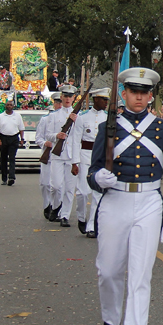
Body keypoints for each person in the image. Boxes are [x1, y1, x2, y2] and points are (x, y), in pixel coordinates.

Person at [87, 67, 163, 325]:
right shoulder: (108, 127)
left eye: (144, 93)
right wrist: (97, 178)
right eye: (134, 92)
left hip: (149, 202)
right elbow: (93, 169)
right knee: (108, 270)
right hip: (116, 200)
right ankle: (110, 322)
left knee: (141, 274)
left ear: (151, 96)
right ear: (124, 94)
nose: (139, 97)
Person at [70, 88, 110, 236]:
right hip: (85, 156)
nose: (106, 102)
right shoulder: (82, 117)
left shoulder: (108, 118)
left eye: (107, 100)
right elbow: (76, 140)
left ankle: (92, 226)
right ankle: (81, 217)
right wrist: (75, 162)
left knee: (97, 194)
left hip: (101, 158)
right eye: (103, 100)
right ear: (95, 100)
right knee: (82, 192)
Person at [44, 84, 81, 228]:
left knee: (69, 188)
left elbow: (79, 137)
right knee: (56, 186)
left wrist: (76, 121)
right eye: (65, 96)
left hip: (72, 156)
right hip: (57, 155)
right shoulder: (53, 116)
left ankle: (65, 215)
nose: (67, 99)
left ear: (74, 98)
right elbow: (48, 134)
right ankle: (56, 206)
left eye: (70, 96)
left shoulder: (79, 116)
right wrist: (56, 136)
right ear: (61, 97)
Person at [36, 93, 62, 220]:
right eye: (57, 102)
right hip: (48, 155)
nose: (59, 105)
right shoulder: (45, 119)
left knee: (58, 186)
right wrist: (44, 143)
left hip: (61, 157)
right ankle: (47, 205)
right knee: (45, 184)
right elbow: (38, 137)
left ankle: (57, 208)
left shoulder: (67, 118)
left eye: (61, 102)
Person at [0, 101, 25, 186]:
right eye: (8, 105)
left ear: (13, 106)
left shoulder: (17, 116)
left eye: (11, 105)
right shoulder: (0, 116)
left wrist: (22, 139)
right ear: (5, 106)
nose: (9, 106)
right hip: (3, 138)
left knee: (12, 158)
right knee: (3, 159)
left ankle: (11, 177)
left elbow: (21, 128)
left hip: (14, 138)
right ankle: (4, 178)